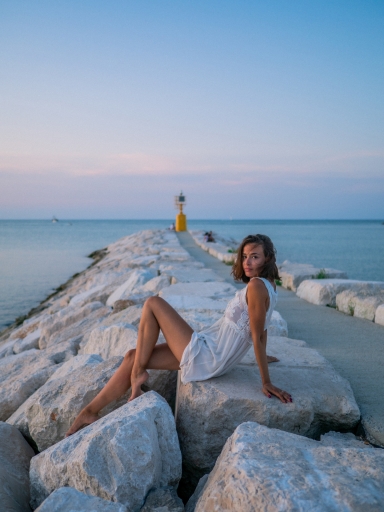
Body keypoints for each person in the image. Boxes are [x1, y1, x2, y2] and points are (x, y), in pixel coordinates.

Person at [66, 234, 291, 436]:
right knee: (132, 355)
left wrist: (266, 381)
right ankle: (89, 411)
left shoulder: (256, 287)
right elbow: (262, 330)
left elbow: (257, 333)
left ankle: (137, 377)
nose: (247, 262)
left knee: (153, 303)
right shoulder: (269, 286)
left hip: (210, 355)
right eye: (244, 256)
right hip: (211, 346)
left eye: (255, 257)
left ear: (268, 259)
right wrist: (264, 355)